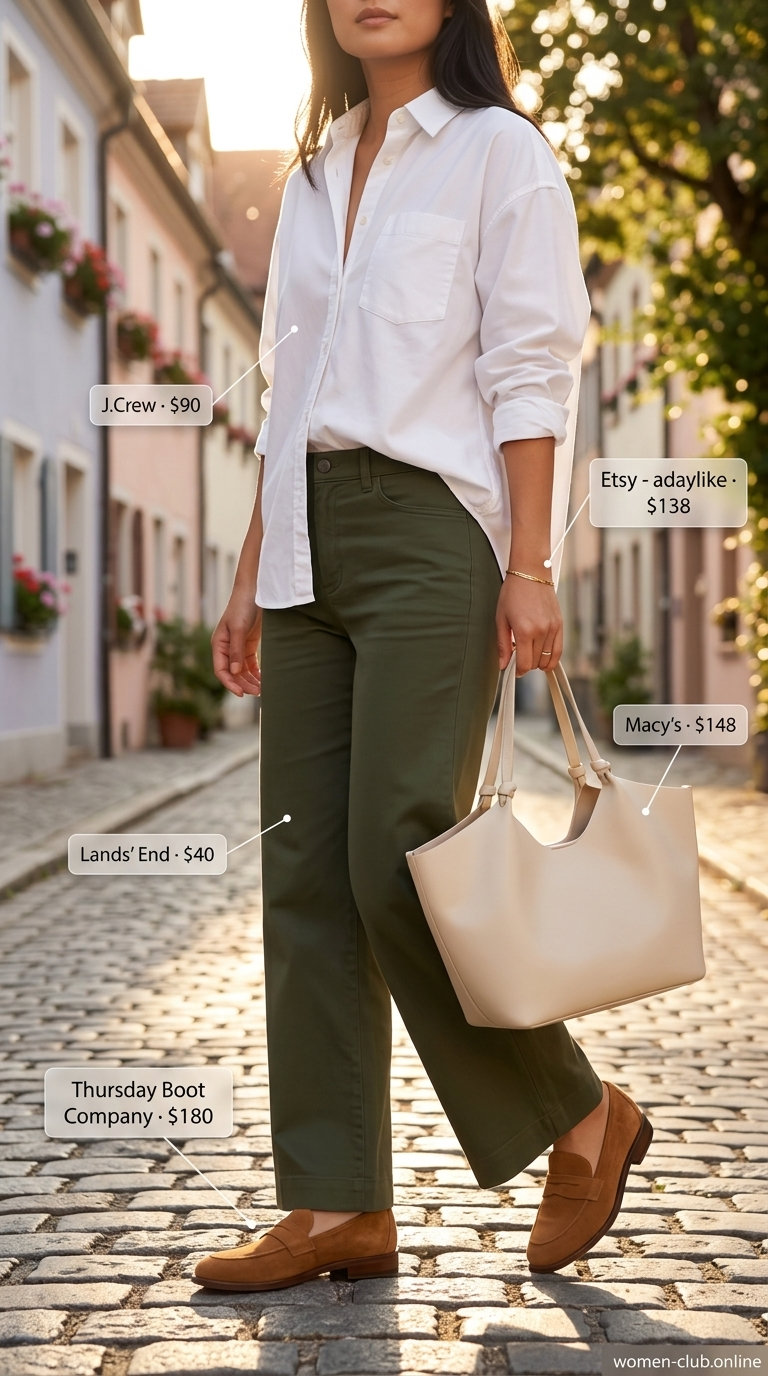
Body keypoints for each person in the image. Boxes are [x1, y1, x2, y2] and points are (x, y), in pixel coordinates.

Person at [195, 0, 652, 1291]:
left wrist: (529, 564)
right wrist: (251, 572)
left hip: (431, 533)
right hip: (304, 542)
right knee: (305, 873)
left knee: (399, 848)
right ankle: (336, 1204)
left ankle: (580, 1113)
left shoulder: (502, 153)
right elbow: (287, 394)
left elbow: (530, 365)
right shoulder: (310, 176)